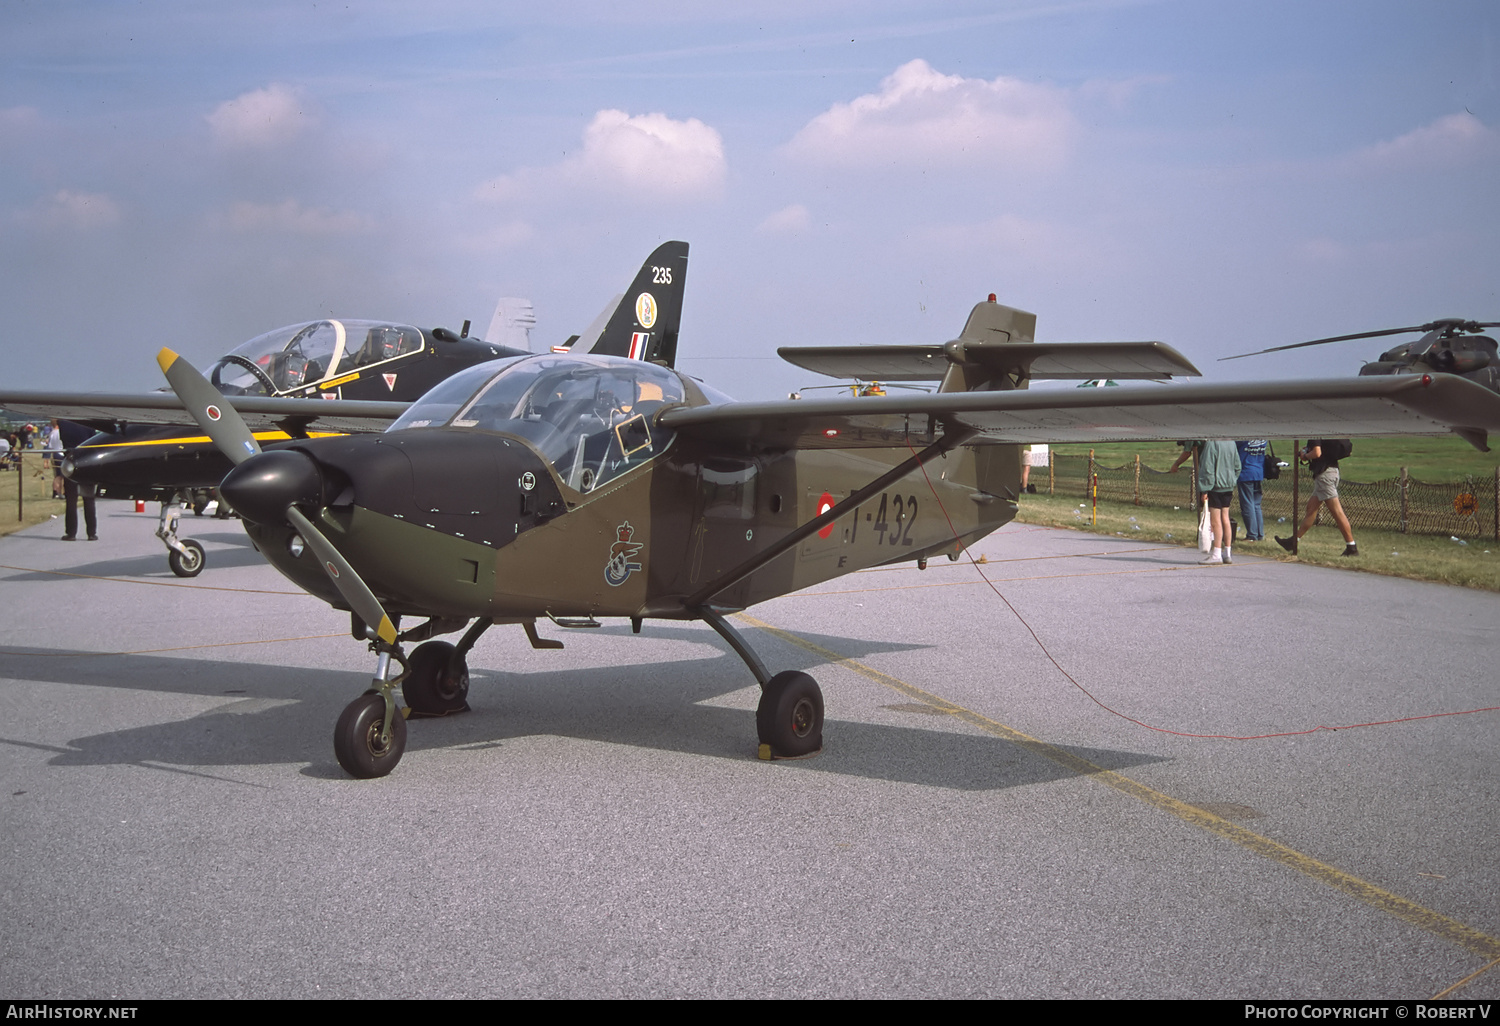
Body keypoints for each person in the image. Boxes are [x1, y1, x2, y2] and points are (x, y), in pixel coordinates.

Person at [1277, 440, 1356, 557]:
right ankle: (1293, 542)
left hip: (1324, 476)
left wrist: (1305, 456)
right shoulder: (1326, 435)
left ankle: (1351, 547)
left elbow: (1317, 453)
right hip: (1332, 471)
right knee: (1311, 509)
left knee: (1337, 512)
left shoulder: (1314, 435)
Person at [1169, 439, 1242, 564]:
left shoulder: (1211, 443)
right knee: (1225, 517)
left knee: (1215, 521)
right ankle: (1228, 553)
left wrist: (1204, 490)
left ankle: (1217, 554)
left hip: (1215, 486)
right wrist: (1232, 480)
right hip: (1228, 485)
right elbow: (1238, 466)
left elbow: (1207, 467)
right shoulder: (1231, 442)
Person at [58, 420, 98, 541]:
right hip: (86, 460)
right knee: (89, 499)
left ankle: (71, 532)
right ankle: (91, 532)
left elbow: (63, 440)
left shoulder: (63, 423)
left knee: (71, 499)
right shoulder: (89, 422)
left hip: (71, 459)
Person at [1235, 440, 1268, 542]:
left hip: (1246, 472)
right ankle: (1259, 534)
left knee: (1247, 504)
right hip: (1258, 471)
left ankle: (1252, 534)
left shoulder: (1242, 439)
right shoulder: (1263, 439)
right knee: (1256, 504)